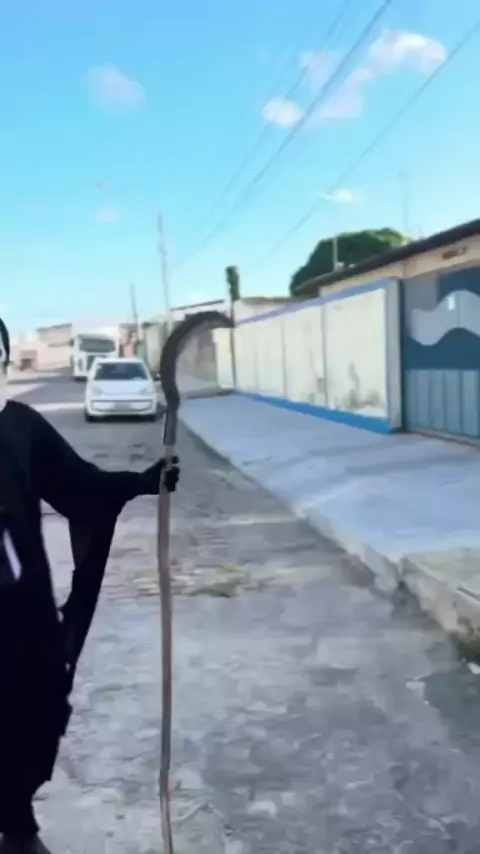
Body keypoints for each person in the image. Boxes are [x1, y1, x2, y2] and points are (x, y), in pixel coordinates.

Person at [0, 319, 180, 854]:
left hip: (21, 620)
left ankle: (18, 830)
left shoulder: (19, 427)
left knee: (29, 720)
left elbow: (80, 487)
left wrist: (142, 481)